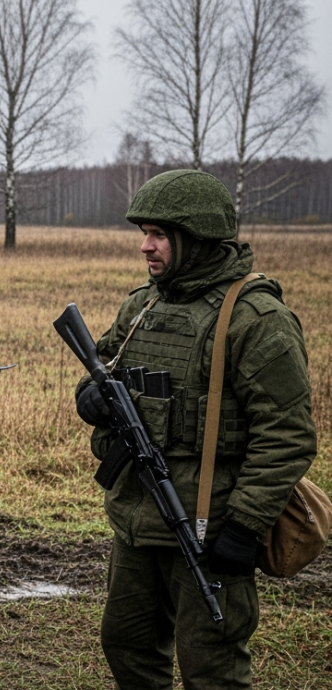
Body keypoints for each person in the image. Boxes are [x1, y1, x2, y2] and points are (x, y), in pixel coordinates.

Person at [74, 169, 316, 689]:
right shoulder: (144, 305)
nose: (145, 246)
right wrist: (90, 397)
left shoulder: (257, 318)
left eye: (158, 235)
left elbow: (288, 436)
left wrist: (245, 528)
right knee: (128, 649)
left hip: (208, 526)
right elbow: (103, 366)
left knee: (212, 670)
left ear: (197, 239)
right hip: (138, 520)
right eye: (144, 233)